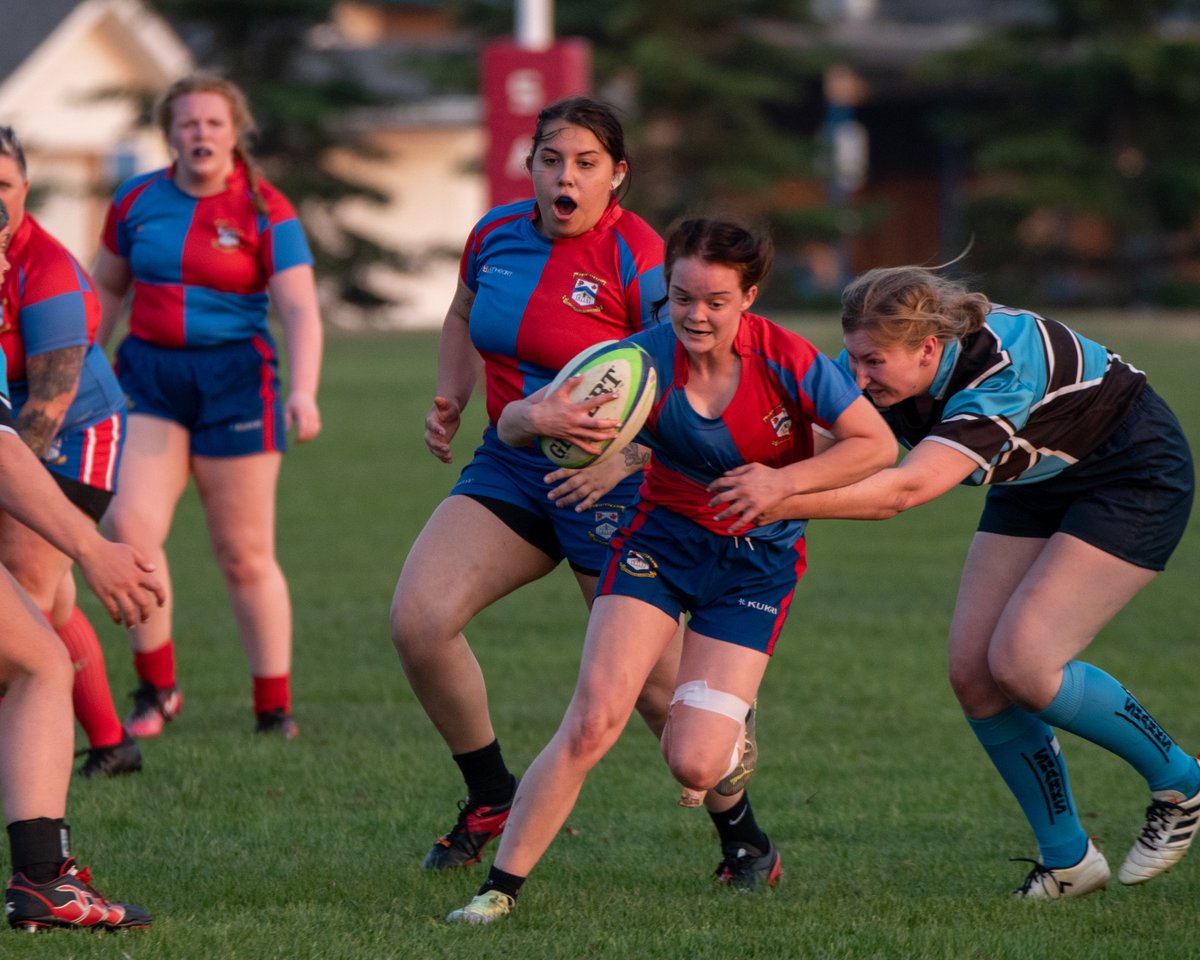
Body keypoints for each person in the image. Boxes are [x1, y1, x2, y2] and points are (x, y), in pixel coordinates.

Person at [445, 218, 896, 923]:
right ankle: (498, 892)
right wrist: (539, 416)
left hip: (755, 566)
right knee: (593, 718)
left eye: (716, 301)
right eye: (682, 298)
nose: (696, 316)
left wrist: (781, 487)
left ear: (749, 297)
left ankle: (726, 728)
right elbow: (511, 429)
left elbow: (875, 446)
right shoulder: (636, 362)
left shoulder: (788, 357)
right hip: (658, 547)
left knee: (693, 764)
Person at [710, 264, 1200, 899]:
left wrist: (778, 498)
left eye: (874, 363)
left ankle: (1182, 782)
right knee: (974, 673)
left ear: (928, 348)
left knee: (1024, 665)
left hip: (1131, 474)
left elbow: (905, 489)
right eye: (852, 358)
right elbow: (816, 438)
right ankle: (1069, 861)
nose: (857, 377)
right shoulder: (875, 358)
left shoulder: (997, 375)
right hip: (1034, 477)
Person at [391, 98, 765, 877]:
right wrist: (450, 396)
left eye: (586, 163)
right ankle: (490, 793)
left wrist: (619, 462)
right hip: (512, 465)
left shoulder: (639, 257)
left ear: (617, 175)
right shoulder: (494, 235)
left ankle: (744, 837)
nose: (566, 177)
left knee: (661, 698)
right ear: (529, 164)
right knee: (419, 621)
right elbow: (462, 315)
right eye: (552, 159)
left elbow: (691, 380)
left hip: (623, 487)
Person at [91, 72, 323, 739]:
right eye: (188, 123)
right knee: (130, 530)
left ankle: (272, 706)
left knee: (244, 552)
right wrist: (78, 372)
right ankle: (157, 690)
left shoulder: (265, 208)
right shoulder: (135, 199)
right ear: (169, 133)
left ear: (234, 132)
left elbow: (301, 308)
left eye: (213, 123)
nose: (200, 134)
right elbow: (104, 291)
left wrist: (304, 390)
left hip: (236, 383)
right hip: (148, 377)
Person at [0, 195, 163, 931]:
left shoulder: (51, 271)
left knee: (37, 650)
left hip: (79, 443)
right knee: (34, 657)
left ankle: (44, 877)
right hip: (43, 457)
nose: (4, 256)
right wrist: (94, 550)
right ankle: (40, 878)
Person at [0, 127, 140, 779]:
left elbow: (45, 408)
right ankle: (113, 744)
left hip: (72, 435)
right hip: (13, 436)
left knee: (26, 590)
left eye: (1, 185)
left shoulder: (48, 270)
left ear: (24, 188)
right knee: (48, 601)